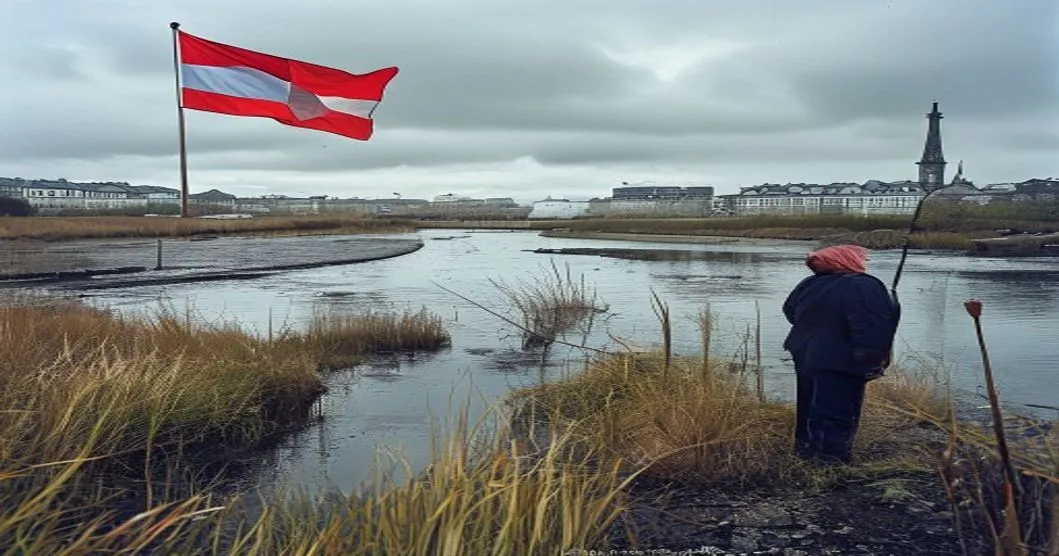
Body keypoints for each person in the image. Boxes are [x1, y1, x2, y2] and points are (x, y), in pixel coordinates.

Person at [782, 244, 900, 464]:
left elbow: (790, 310)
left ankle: (804, 452)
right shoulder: (865, 285)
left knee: (808, 404)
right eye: (862, 259)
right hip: (842, 358)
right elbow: (872, 326)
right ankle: (831, 462)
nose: (864, 263)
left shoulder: (809, 283)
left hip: (805, 353)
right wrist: (873, 361)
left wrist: (813, 328)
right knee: (837, 410)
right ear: (849, 260)